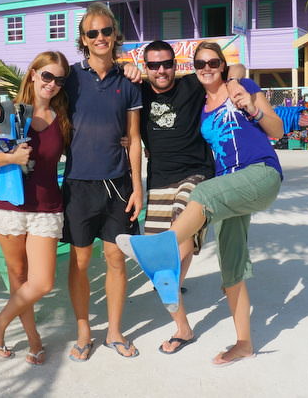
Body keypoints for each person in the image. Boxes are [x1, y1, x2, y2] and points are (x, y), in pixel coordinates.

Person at [118, 40, 284, 365]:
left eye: (213, 62)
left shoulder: (240, 87)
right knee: (231, 264)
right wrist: (125, 69)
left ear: (221, 65)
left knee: (200, 197)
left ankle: (160, 247)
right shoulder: (202, 105)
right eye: (201, 64)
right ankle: (244, 343)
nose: (206, 68)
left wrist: (250, 103)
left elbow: (276, 129)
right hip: (227, 184)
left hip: (258, 172)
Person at [0, 51, 72, 366]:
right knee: (19, 276)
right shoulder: (7, 112)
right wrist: (10, 158)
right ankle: (33, 340)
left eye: (60, 79)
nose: (53, 84)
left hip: (46, 206)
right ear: (33, 74)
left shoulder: (64, 118)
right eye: (47, 76)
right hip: (7, 204)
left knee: (42, 282)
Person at [62, 2, 143, 361]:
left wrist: (138, 186)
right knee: (79, 262)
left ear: (115, 35)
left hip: (117, 184)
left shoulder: (128, 82)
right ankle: (83, 332)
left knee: (115, 258)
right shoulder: (70, 79)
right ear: (83, 39)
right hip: (78, 184)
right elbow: (38, 95)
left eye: (105, 31)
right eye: (92, 33)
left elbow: (135, 138)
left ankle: (113, 331)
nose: (100, 38)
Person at [137, 40, 215, 354]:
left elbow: (231, 70)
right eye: (154, 65)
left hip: (195, 173)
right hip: (158, 180)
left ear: (175, 64)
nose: (161, 70)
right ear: (146, 68)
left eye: (167, 63)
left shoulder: (191, 85)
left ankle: (177, 307)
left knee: (178, 237)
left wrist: (237, 82)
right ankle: (179, 316)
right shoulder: (138, 92)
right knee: (160, 258)